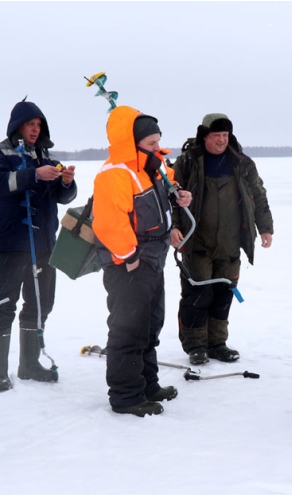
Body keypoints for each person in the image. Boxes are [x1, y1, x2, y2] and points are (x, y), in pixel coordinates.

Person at [92, 106, 191, 417]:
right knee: (128, 329)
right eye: (150, 143)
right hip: (129, 263)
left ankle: (147, 384)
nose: (156, 147)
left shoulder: (150, 168)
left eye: (157, 141)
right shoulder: (115, 174)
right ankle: (126, 396)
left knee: (150, 325)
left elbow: (167, 188)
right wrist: (129, 257)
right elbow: (109, 223)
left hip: (152, 259)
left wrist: (180, 197)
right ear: (132, 143)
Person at [0, 99, 77, 392]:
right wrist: (33, 175)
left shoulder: (46, 158)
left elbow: (63, 198)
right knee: (3, 304)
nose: (35, 130)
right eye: (30, 124)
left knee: (40, 303)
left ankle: (29, 364)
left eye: (39, 125)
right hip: (11, 243)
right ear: (17, 126)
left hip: (45, 244)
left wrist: (66, 183)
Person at [172, 113, 274, 365]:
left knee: (223, 293)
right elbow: (170, 197)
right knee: (197, 293)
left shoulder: (242, 163)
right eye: (216, 136)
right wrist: (173, 227)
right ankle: (195, 345)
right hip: (197, 240)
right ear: (204, 136)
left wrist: (265, 227)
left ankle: (217, 343)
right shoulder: (187, 162)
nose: (221, 141)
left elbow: (258, 195)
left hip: (231, 240)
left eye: (225, 136)